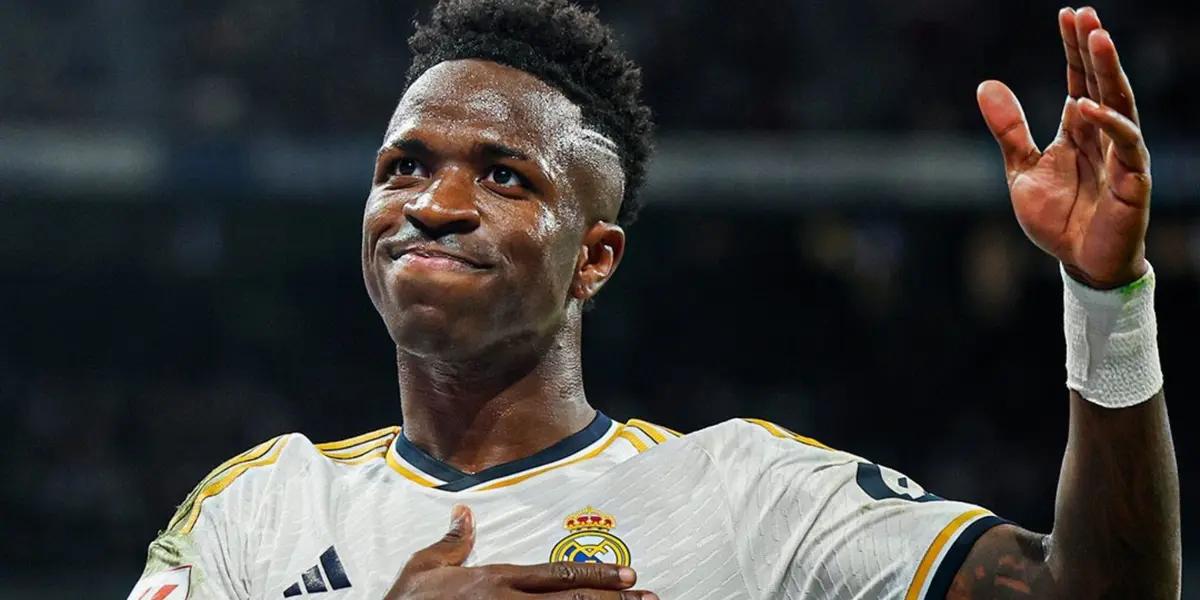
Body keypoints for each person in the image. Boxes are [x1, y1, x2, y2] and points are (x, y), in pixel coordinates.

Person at [126, 1, 1180, 598]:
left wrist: (1107, 299)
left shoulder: (749, 497)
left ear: (595, 260)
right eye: (404, 166)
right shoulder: (255, 509)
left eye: (504, 176)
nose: (433, 205)